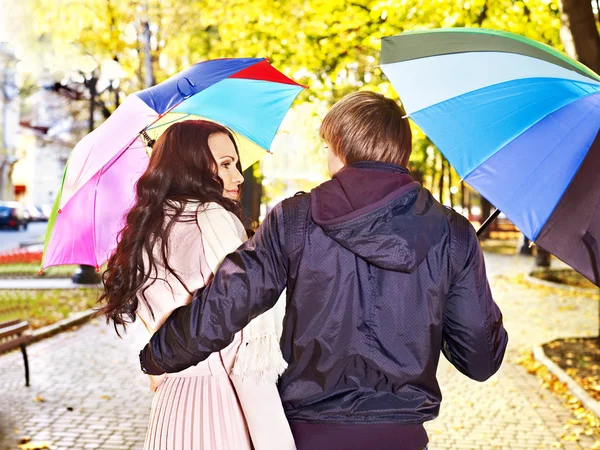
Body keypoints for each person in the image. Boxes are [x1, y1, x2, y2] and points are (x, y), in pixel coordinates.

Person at [139, 92, 509, 450]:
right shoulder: (453, 234)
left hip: (311, 432)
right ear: (402, 152)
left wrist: (157, 355)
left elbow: (228, 301)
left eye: (328, 148)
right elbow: (480, 361)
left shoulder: (294, 219)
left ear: (340, 148)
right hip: (401, 436)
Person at [98, 120, 295, 450]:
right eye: (226, 165)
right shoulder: (213, 218)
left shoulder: (145, 231)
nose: (239, 177)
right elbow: (245, 346)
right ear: (192, 165)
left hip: (170, 406)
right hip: (221, 406)